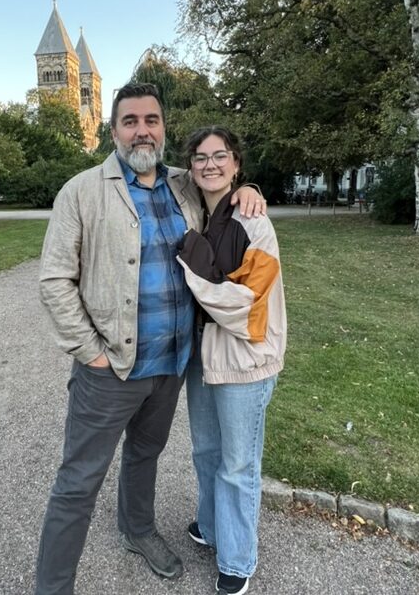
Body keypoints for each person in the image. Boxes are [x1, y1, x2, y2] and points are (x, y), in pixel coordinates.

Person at [35, 85, 266, 595]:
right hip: (110, 367)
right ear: (113, 131)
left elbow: (220, 184)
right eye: (131, 121)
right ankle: (52, 587)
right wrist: (91, 352)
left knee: (145, 453)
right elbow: (54, 280)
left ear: (163, 128)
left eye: (152, 120)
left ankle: (137, 529)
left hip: (171, 364)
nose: (142, 131)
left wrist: (248, 189)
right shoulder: (82, 191)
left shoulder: (183, 185)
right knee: (78, 482)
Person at [177, 126, 287, 595]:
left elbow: (245, 300)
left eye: (220, 156)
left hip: (244, 359)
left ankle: (238, 559)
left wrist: (188, 260)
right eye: (200, 158)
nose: (210, 165)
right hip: (203, 356)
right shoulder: (194, 210)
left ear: (236, 163)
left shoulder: (253, 221)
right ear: (190, 167)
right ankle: (211, 526)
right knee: (205, 451)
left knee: (238, 464)